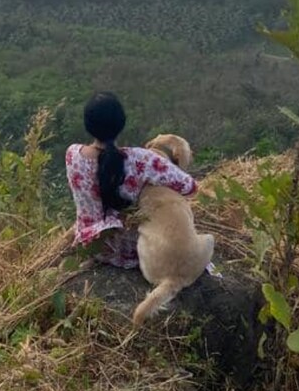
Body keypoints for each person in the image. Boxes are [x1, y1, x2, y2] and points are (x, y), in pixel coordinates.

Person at [65, 91, 199, 268]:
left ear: (87, 125)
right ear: (121, 124)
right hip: (129, 251)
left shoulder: (72, 154)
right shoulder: (141, 159)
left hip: (92, 245)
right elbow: (189, 187)